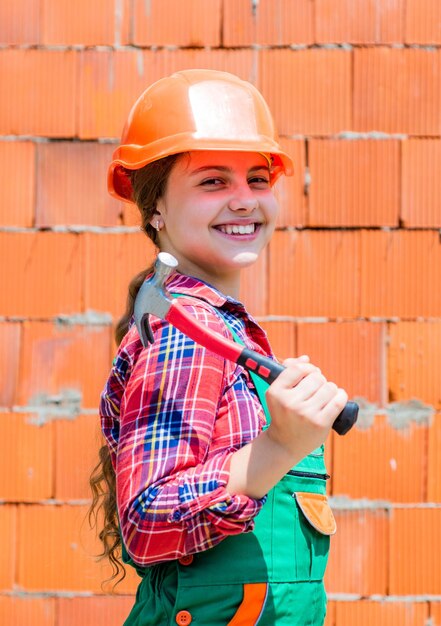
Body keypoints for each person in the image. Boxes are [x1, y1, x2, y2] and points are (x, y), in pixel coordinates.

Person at [90, 69, 348, 625]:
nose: (245, 201)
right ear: (154, 207)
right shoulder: (186, 333)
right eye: (212, 182)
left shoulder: (222, 331)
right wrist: (279, 446)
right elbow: (147, 518)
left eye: (257, 179)